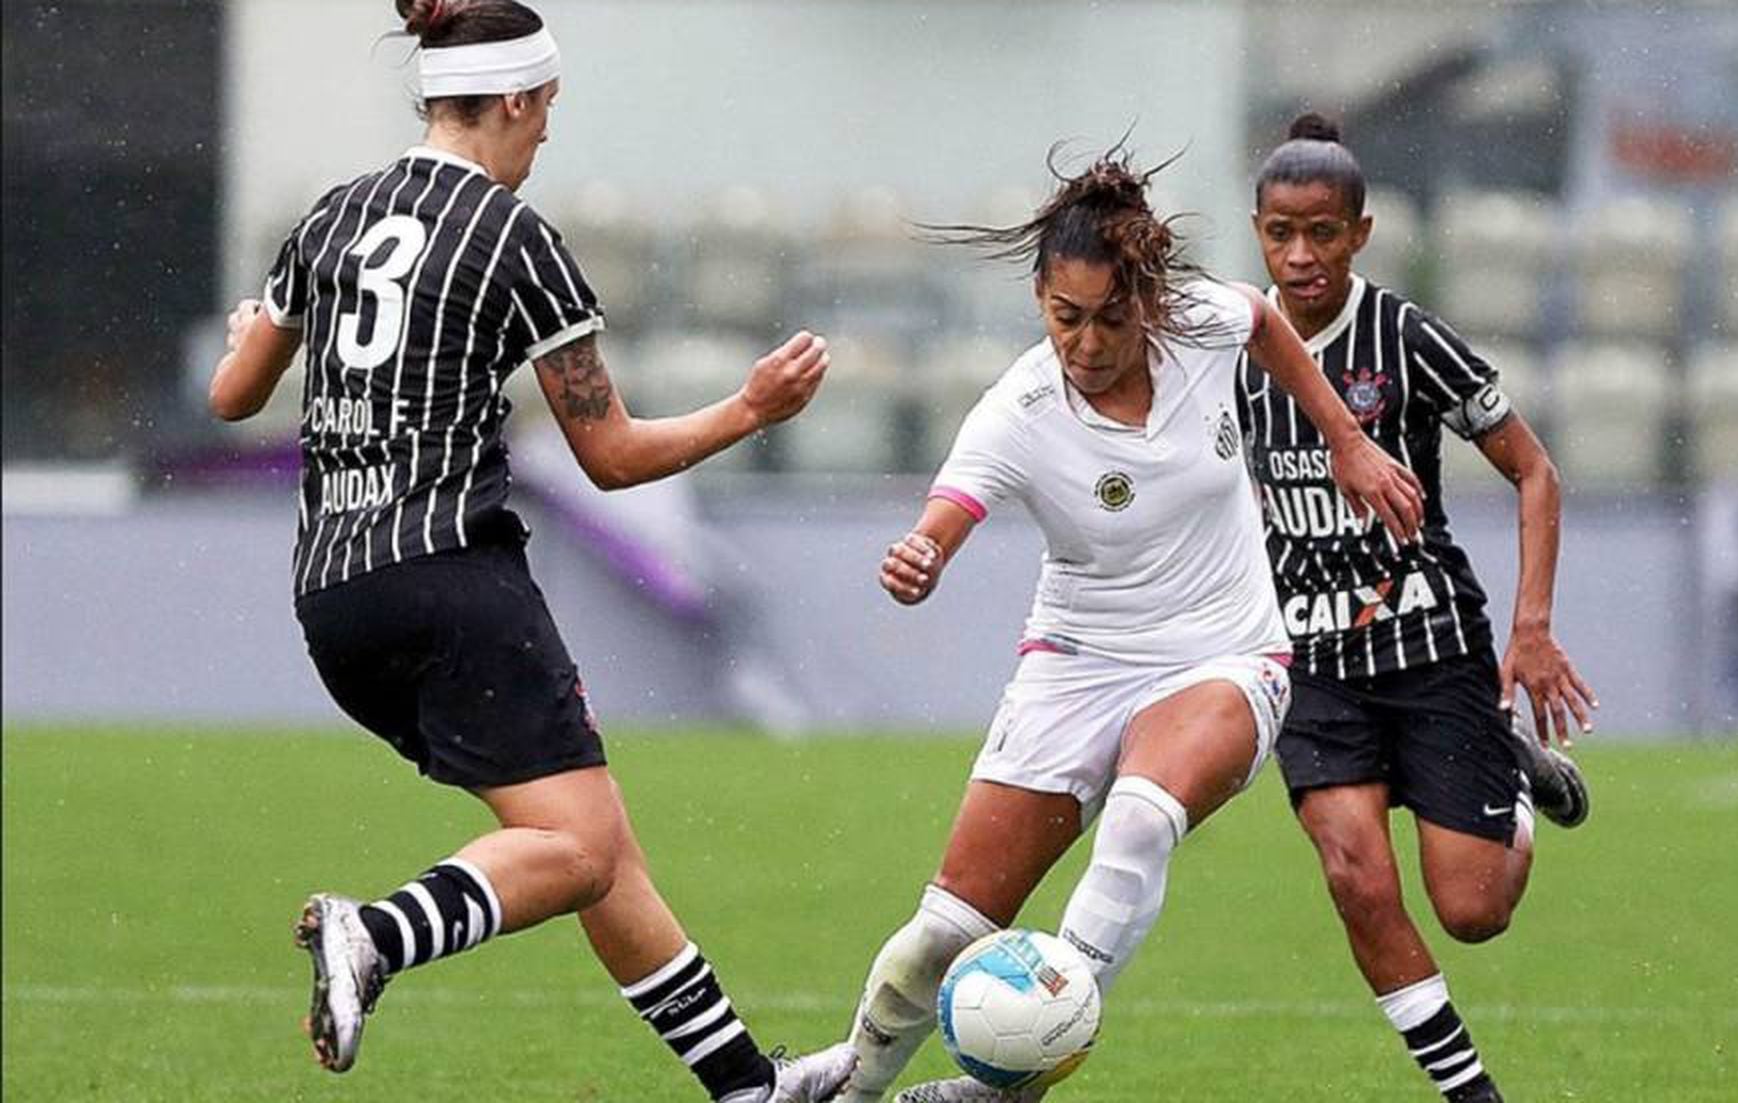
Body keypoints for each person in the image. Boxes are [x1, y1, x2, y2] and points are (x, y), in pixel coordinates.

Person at [207, 3, 853, 1099]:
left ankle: (747, 1087)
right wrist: (749, 407)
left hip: (333, 598)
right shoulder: (517, 239)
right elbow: (609, 453)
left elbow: (233, 395)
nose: (548, 130)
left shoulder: (330, 218)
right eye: (546, 107)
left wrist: (246, 335)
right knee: (581, 852)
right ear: (511, 99)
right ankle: (378, 933)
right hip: (455, 581)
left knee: (592, 844)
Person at [833, 150, 1427, 1103]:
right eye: (1066, 316)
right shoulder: (1018, 410)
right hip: (1075, 666)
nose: (1088, 340)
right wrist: (923, 557)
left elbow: (1267, 323)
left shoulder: (1198, 323)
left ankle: (1004, 1087)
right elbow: (946, 517)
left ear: (1147, 302)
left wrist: (1346, 441)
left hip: (1225, 655)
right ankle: (851, 1085)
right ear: (1040, 297)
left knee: (1142, 821)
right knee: (939, 936)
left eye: (1112, 316)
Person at [1239, 112, 1598, 1103]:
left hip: (1429, 642)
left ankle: (1514, 778)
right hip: (1308, 661)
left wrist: (1528, 628)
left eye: (1321, 231)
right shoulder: (1230, 347)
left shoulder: (1405, 338)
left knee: (1472, 909)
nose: (1300, 254)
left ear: (1359, 231)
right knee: (1354, 871)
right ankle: (1470, 1093)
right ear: (1257, 233)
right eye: (1279, 232)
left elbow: (1533, 471)